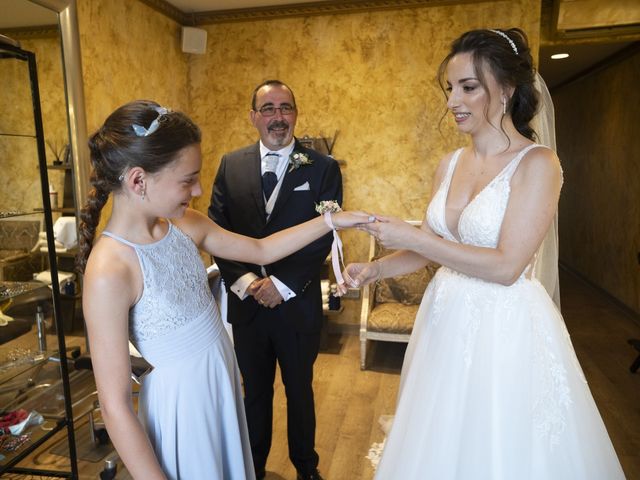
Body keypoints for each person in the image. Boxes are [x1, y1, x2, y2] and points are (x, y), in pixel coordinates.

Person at [342, 29, 626, 479]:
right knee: (441, 436)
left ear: (507, 90)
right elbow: (435, 248)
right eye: (450, 88)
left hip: (504, 327)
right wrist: (371, 269)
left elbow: (507, 266)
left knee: (496, 442)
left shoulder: (537, 165)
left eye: (469, 87)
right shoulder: (449, 164)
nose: (454, 100)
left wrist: (414, 237)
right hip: (445, 318)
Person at [77, 100, 366, 480]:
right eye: (187, 179)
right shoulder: (109, 269)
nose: (198, 188)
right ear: (137, 180)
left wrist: (331, 220)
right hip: (182, 405)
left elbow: (261, 249)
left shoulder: (183, 224)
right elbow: (115, 407)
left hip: (220, 376)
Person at [208, 80, 341, 480]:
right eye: (268, 109)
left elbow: (325, 233)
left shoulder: (323, 168)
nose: (277, 117)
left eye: (285, 108)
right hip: (248, 307)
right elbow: (218, 230)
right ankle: (254, 468)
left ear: (296, 114)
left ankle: (306, 468)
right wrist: (248, 281)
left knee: (300, 392)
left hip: (296, 304)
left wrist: (281, 285)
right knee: (255, 394)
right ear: (253, 117)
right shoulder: (230, 164)